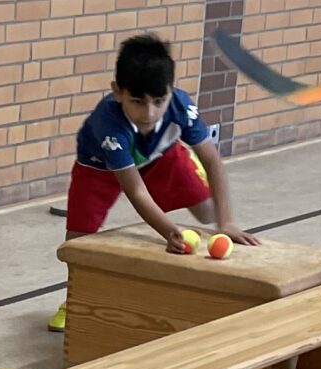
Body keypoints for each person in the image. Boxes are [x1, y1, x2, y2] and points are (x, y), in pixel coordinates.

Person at [50, 32, 254, 331]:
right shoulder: (108, 123)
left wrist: (227, 223)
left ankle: (186, 162)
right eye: (137, 101)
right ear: (117, 91)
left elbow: (213, 161)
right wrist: (170, 231)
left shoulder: (181, 105)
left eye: (159, 101)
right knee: (78, 241)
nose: (149, 113)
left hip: (160, 156)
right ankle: (75, 297)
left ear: (171, 90)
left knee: (208, 211)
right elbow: (135, 190)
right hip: (99, 169)